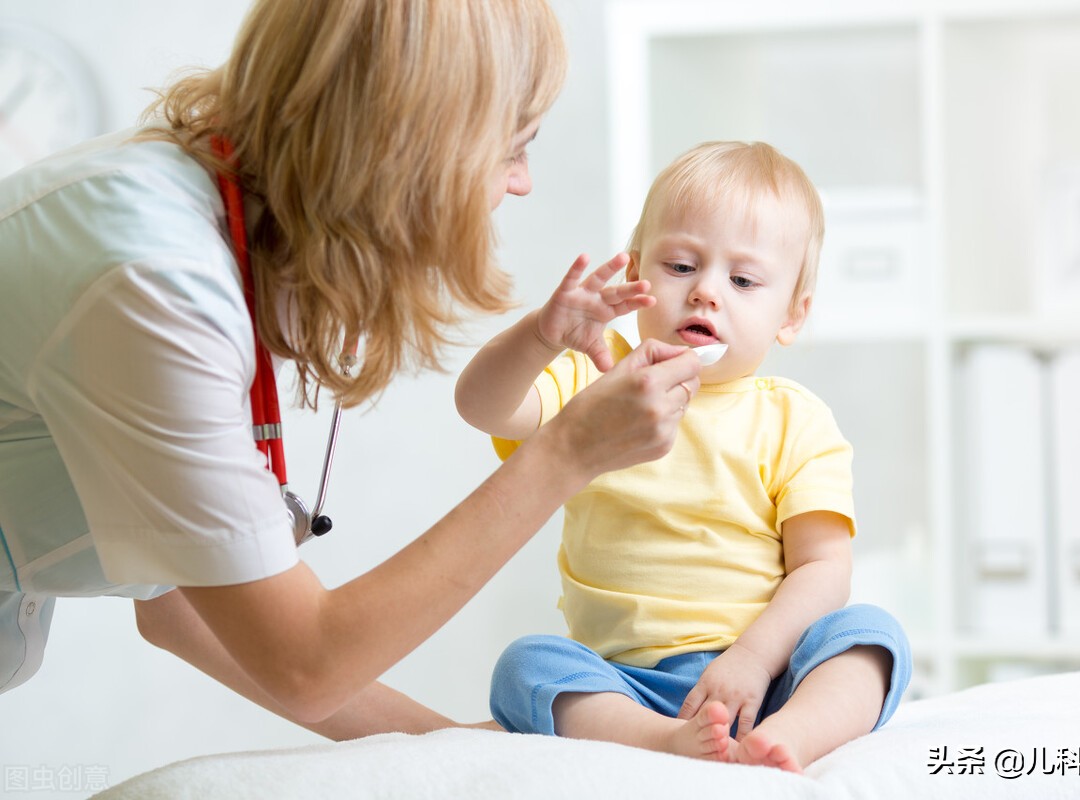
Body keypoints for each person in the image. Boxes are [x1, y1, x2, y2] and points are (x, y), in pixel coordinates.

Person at [0, 0, 702, 740]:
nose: (520, 183)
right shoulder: (154, 279)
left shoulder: (215, 224)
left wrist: (452, 751)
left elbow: (185, 603)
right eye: (513, 147)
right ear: (413, 150)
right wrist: (568, 451)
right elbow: (302, 663)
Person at [455, 141, 912, 772]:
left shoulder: (794, 420)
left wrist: (752, 660)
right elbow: (481, 407)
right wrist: (540, 336)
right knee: (526, 667)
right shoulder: (598, 379)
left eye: (743, 280)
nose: (706, 293)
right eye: (679, 267)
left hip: (765, 681)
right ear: (637, 272)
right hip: (623, 683)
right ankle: (659, 740)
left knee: (871, 638)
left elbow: (824, 569)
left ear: (792, 314)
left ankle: (792, 739)